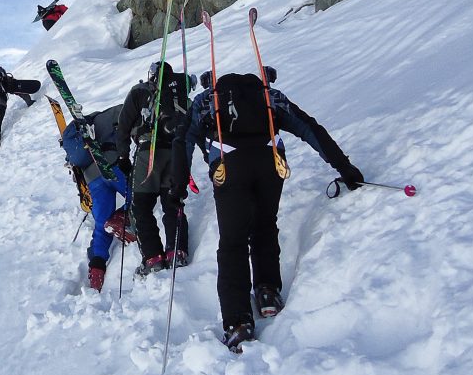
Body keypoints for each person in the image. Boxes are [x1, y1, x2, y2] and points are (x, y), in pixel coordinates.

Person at [172, 67, 364, 351]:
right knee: (264, 224)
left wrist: (176, 191)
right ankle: (267, 292)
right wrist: (345, 168)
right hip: (270, 162)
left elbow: (182, 141)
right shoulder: (268, 96)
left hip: (229, 167)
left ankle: (238, 322)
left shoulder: (206, 101)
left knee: (233, 242)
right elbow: (309, 128)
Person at [116, 62, 192, 277]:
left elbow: (123, 125)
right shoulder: (180, 95)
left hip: (148, 153)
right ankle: (177, 251)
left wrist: (123, 155)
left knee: (140, 206)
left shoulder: (140, 91)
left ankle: (153, 258)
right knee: (172, 202)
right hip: (176, 153)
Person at [60, 105, 131, 291]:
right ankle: (121, 218)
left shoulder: (79, 135)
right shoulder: (114, 114)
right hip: (112, 165)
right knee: (139, 197)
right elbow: (130, 119)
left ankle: (97, 268)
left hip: (93, 178)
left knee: (100, 224)